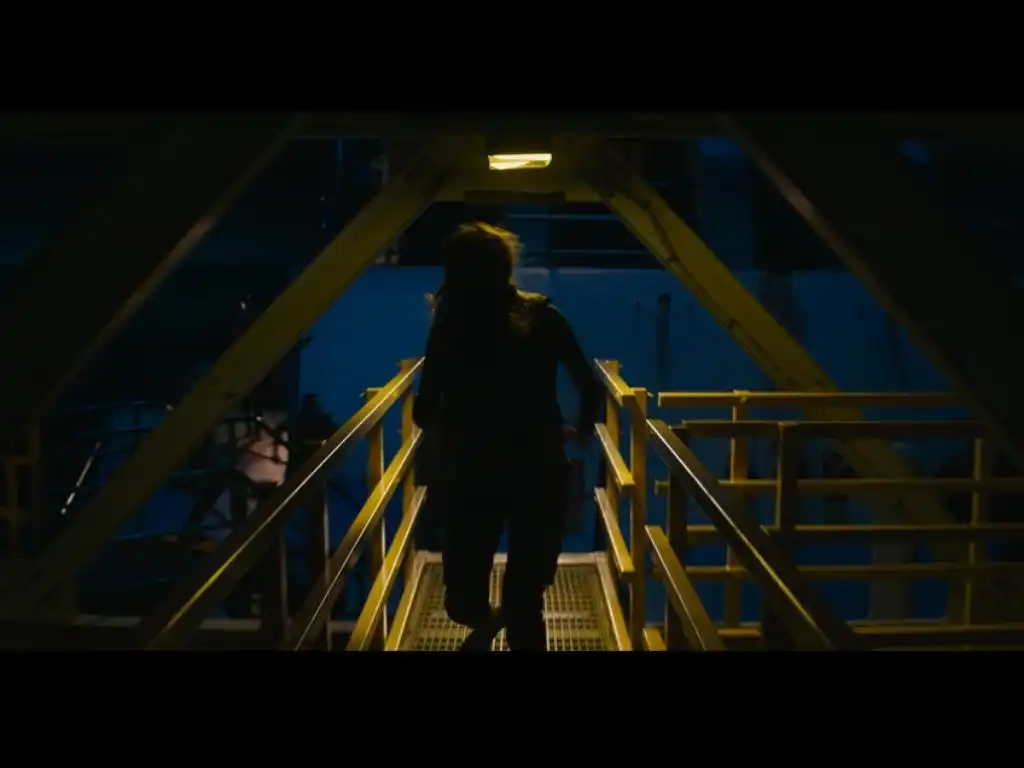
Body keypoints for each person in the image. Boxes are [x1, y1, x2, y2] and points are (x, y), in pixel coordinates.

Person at [413, 222, 601, 651]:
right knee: (527, 596)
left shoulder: (450, 325)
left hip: (473, 468)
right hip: (538, 463)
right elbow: (588, 384)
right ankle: (511, 618)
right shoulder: (543, 315)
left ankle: (487, 618)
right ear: (506, 267)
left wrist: (447, 430)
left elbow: (424, 408)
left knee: (464, 595)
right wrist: (579, 430)